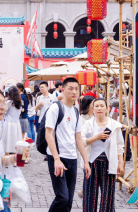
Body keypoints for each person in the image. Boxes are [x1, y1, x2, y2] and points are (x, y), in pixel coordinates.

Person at [45, 77, 91, 212]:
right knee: (62, 197)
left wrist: (86, 162)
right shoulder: (55, 108)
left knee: (69, 200)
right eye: (70, 89)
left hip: (72, 158)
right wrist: (56, 159)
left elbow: (78, 138)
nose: (74, 92)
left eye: (77, 89)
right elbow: (49, 134)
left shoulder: (76, 111)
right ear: (63, 90)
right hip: (58, 157)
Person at [82, 98, 124, 212]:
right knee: (89, 193)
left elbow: (120, 145)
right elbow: (81, 141)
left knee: (108, 194)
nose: (99, 108)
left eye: (102, 106)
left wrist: (121, 163)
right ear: (92, 109)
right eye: (97, 106)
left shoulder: (114, 125)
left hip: (109, 162)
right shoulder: (87, 124)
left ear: (107, 108)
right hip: (91, 162)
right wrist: (97, 137)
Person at [76, 95, 94, 199]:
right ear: (88, 106)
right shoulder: (81, 119)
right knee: (87, 173)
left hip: (97, 151)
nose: (96, 107)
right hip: (86, 151)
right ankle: (86, 192)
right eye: (93, 104)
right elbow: (81, 138)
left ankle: (86, 190)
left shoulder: (97, 117)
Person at [1, 86, 23, 154]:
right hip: (16, 123)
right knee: (15, 140)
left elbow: (4, 112)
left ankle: (7, 157)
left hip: (8, 123)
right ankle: (14, 158)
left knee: (7, 140)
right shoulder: (20, 102)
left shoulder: (9, 102)